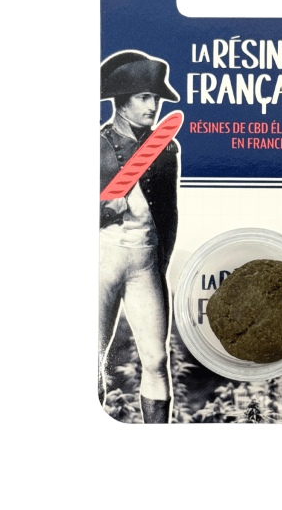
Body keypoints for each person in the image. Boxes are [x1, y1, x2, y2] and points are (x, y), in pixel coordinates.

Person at [98, 50, 180, 424]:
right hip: (104, 261)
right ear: (121, 99)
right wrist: (107, 210)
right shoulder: (99, 146)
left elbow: (169, 214)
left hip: (146, 262)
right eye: (144, 97)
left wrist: (159, 262)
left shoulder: (165, 149)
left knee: (156, 359)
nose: (153, 106)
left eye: (156, 98)